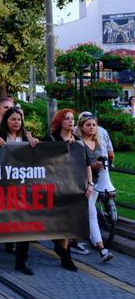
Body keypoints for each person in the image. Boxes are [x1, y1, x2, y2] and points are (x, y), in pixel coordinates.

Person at [0, 107, 38, 275]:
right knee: (1, 220)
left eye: (19, 119)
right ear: (6, 121)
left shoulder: (26, 136)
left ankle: (22, 260)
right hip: (1, 186)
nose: (17, 122)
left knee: (24, 223)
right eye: (13, 119)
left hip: (21, 186)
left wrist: (35, 143)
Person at [43, 109, 91, 271]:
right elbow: (42, 161)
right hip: (53, 186)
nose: (71, 121)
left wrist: (89, 184)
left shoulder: (78, 140)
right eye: (66, 119)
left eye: (72, 119)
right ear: (59, 121)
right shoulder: (51, 139)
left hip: (72, 187)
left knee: (67, 222)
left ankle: (65, 256)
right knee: (56, 221)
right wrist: (62, 149)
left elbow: (87, 164)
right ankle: (60, 247)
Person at [75, 113, 115, 263]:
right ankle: (102, 249)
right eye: (88, 125)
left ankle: (73, 242)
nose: (92, 127)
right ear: (82, 127)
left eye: (94, 125)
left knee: (84, 214)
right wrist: (90, 165)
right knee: (91, 214)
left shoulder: (97, 142)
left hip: (96, 181)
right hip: (83, 182)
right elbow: (75, 162)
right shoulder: (78, 143)